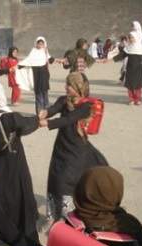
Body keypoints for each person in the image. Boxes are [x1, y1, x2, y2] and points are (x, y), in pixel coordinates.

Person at [39, 72, 108, 225]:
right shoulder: (64, 100)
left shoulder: (85, 106)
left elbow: (70, 119)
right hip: (61, 147)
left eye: (69, 85)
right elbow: (54, 108)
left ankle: (67, 221)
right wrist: (46, 113)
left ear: (78, 87)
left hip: (76, 150)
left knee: (66, 180)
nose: (66, 87)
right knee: (54, 178)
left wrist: (48, 123)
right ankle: (52, 217)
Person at [0, 80, 41, 241]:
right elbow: (28, 125)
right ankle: (25, 235)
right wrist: (39, 118)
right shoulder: (8, 118)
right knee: (20, 197)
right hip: (14, 164)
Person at [109, 32, 142, 105]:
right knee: (130, 85)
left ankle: (138, 100)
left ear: (136, 38)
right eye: (130, 38)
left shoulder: (140, 48)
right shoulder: (128, 48)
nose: (131, 39)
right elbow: (121, 56)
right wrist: (111, 59)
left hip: (138, 69)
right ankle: (131, 99)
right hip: (130, 68)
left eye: (132, 37)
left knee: (138, 85)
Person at [18, 36, 56, 114]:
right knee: (38, 93)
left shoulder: (45, 51)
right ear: (36, 44)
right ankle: (39, 111)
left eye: (42, 44)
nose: (40, 45)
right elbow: (27, 60)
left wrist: (59, 61)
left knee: (45, 92)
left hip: (44, 73)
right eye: (39, 44)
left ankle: (46, 111)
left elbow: (49, 58)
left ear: (44, 44)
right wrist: (18, 66)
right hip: (36, 74)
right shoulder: (33, 51)